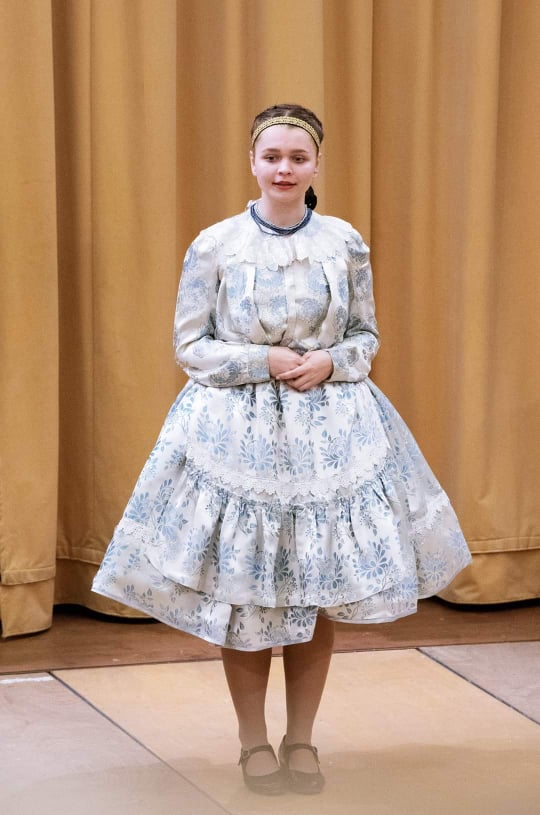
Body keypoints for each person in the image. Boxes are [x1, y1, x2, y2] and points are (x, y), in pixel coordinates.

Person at [92, 103, 472, 796]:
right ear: (253, 162)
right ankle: (252, 742)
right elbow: (190, 345)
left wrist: (331, 361)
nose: (285, 169)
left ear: (317, 163)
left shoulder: (344, 241)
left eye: (298, 157)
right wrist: (260, 360)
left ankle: (301, 738)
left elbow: (365, 335)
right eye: (272, 157)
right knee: (246, 595)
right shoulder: (216, 244)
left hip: (330, 434)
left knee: (313, 595)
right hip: (237, 435)